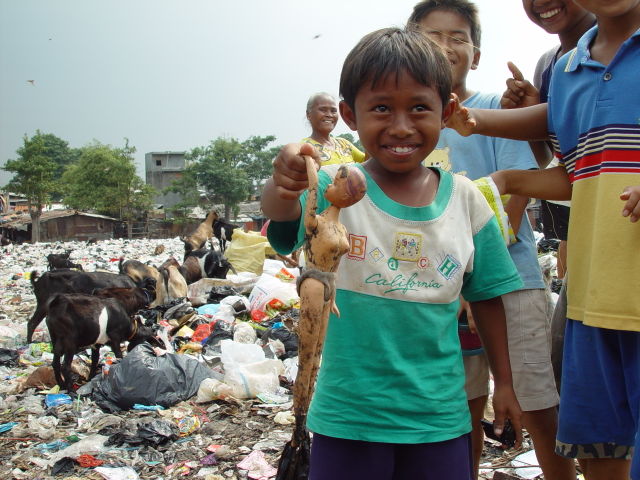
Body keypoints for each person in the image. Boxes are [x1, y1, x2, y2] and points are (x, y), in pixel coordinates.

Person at [262, 27, 523, 480]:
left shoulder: (466, 201)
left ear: (448, 111)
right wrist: (282, 181)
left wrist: (506, 385)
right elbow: (283, 222)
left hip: (438, 420)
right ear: (350, 114)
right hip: (348, 418)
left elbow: (489, 299)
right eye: (381, 108)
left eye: (419, 108)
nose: (401, 126)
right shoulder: (333, 188)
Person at [446, 2, 640, 478]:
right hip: (592, 298)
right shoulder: (570, 68)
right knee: (601, 448)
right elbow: (578, 175)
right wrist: (509, 174)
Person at [407, 2, 574, 478]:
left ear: (476, 55)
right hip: (431, 289)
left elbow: (516, 192)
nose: (445, 46)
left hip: (509, 281)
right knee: (459, 413)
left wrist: (471, 276)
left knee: (535, 406)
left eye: (457, 38)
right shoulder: (408, 122)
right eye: (432, 36)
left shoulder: (492, 111)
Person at [500, 0, 596, 391]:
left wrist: (510, 180)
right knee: (573, 372)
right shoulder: (550, 65)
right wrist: (533, 116)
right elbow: (564, 165)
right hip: (592, 248)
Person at [302, 92, 366, 165]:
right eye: (323, 110)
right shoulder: (305, 148)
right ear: (308, 114)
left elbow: (368, 161)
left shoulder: (344, 144)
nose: (329, 115)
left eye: (333, 111)